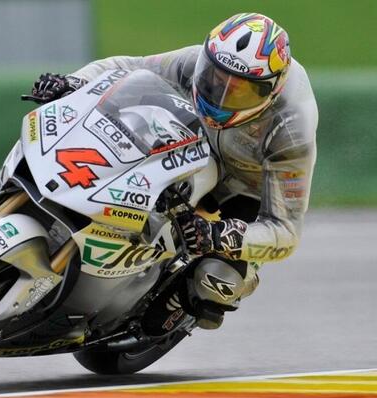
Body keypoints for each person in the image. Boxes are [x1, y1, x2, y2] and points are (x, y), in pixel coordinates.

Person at [28, 13, 318, 331]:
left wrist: (218, 235)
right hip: (192, 150)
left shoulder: (291, 129)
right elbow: (128, 68)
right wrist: (73, 82)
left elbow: (285, 232)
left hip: (246, 189)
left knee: (215, 283)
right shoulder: (196, 61)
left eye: (240, 92)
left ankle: (178, 301)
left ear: (271, 91)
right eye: (216, 79)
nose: (221, 95)